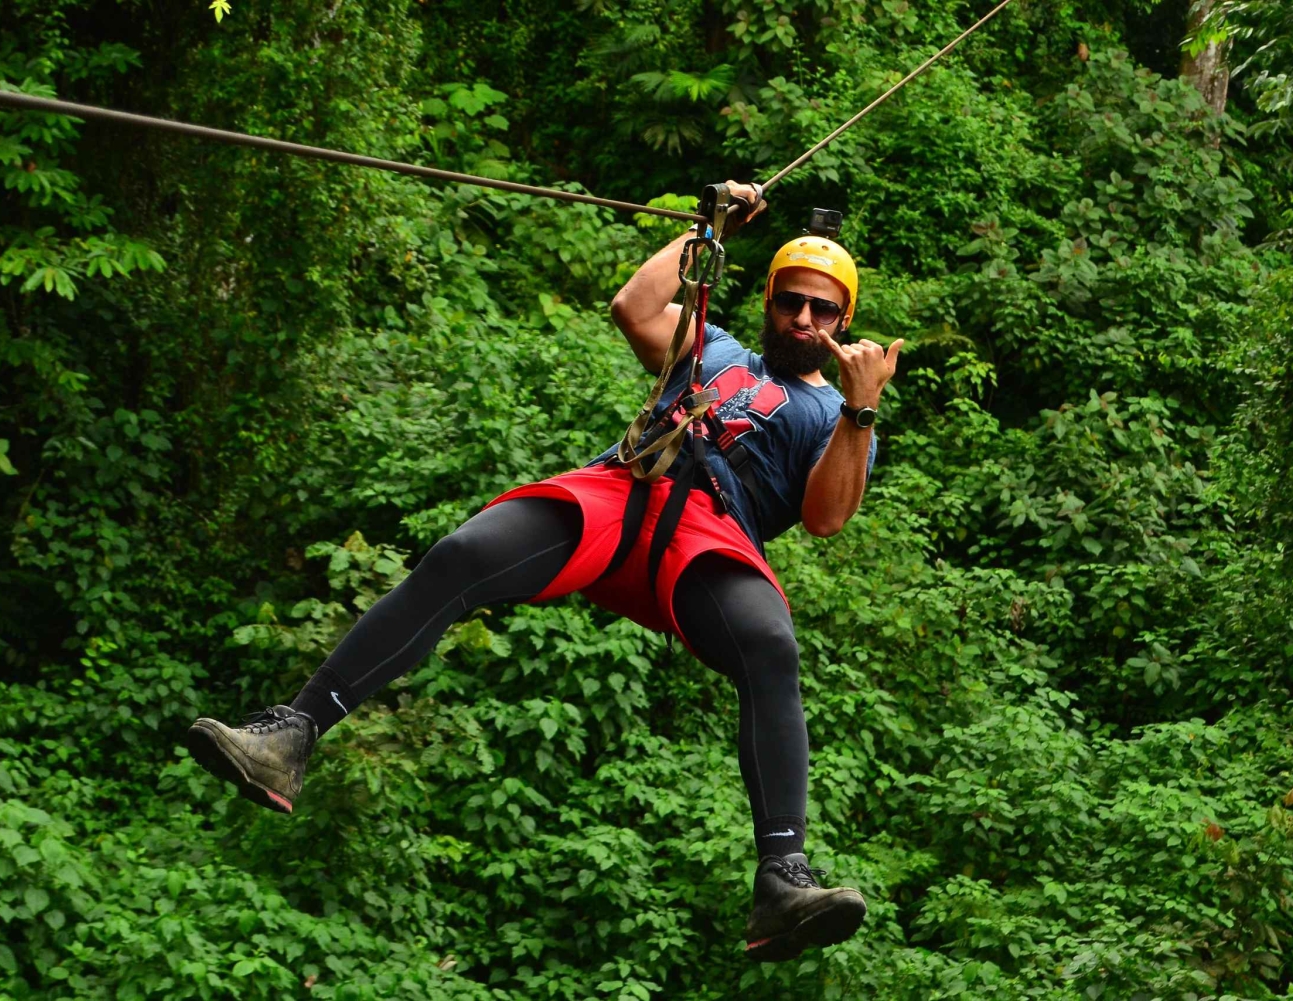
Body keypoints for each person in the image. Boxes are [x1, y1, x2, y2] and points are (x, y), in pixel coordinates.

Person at [185, 180, 903, 962]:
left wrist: (860, 410)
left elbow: (826, 515)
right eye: (790, 300)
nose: (803, 318)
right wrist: (708, 229)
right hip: (625, 487)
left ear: (843, 320)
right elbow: (634, 307)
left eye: (821, 308)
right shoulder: (717, 346)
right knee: (463, 555)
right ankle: (291, 735)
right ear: (769, 301)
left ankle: (782, 878)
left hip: (710, 533)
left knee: (770, 646)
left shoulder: (833, 413)